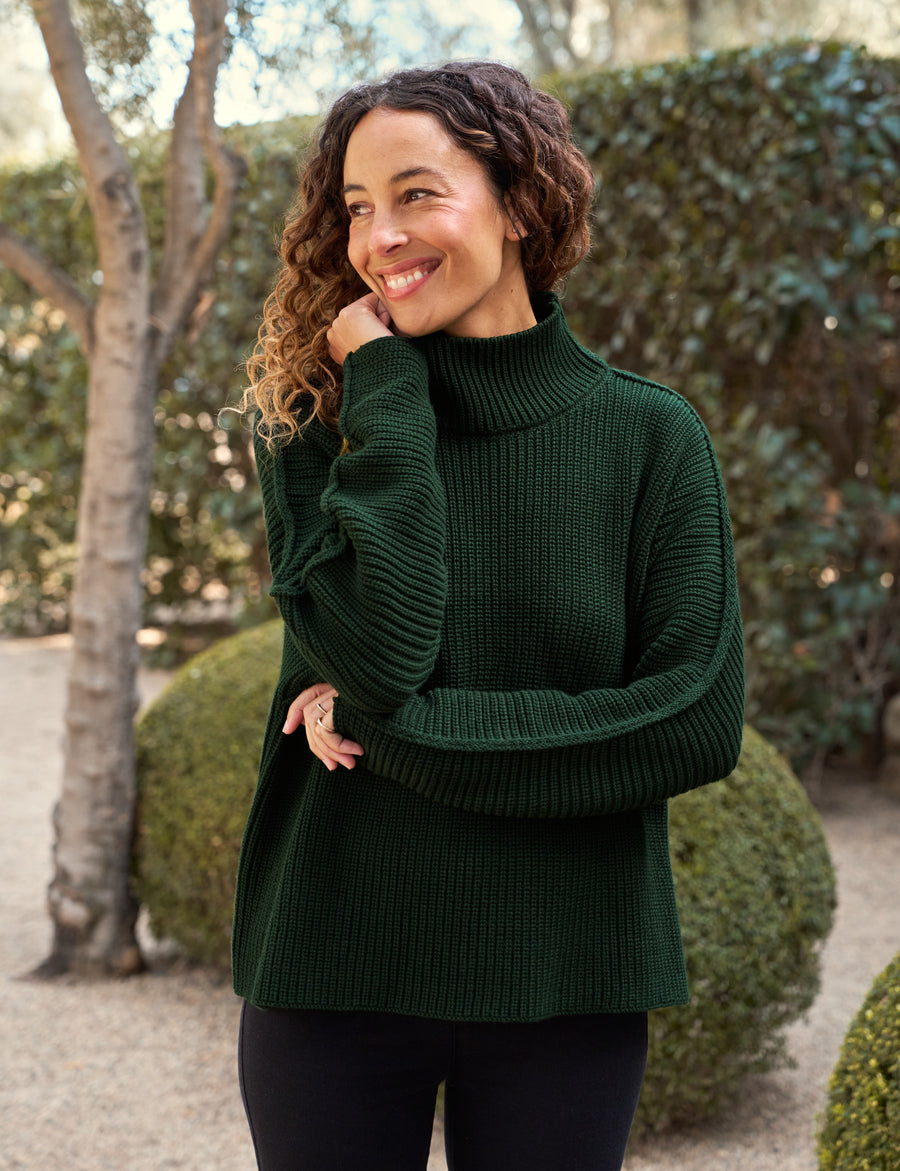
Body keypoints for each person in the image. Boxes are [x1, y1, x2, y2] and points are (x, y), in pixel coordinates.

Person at [232, 60, 745, 1171]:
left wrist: (401, 727)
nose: (379, 238)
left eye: (418, 193)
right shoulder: (315, 425)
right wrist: (388, 399)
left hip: (567, 977)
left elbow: (691, 723)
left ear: (520, 204)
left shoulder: (651, 439)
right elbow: (387, 644)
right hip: (334, 961)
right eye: (358, 208)